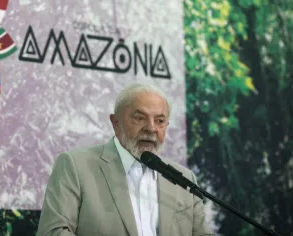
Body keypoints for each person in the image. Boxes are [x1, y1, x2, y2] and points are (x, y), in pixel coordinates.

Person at [37, 83, 214, 236]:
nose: (151, 128)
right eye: (139, 118)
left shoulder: (185, 179)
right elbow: (52, 232)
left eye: (160, 121)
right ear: (115, 123)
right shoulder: (76, 166)